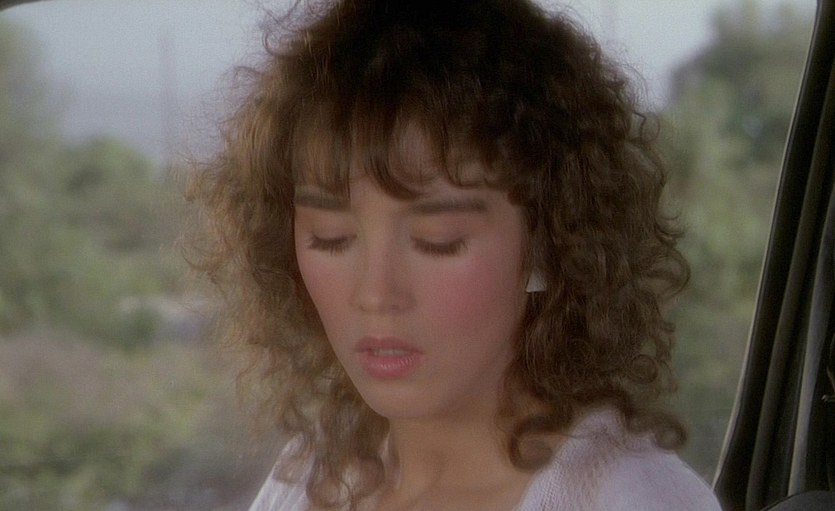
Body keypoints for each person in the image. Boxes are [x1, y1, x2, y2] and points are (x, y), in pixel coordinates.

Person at [187, 0, 723, 509]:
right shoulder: (312, 474)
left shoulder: (628, 499)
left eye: (437, 240)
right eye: (330, 237)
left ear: (549, 244)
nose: (375, 294)